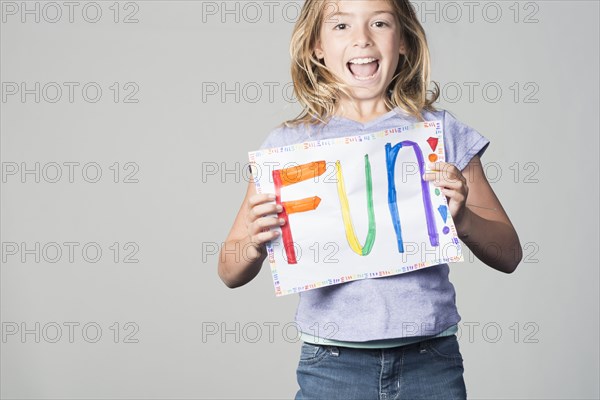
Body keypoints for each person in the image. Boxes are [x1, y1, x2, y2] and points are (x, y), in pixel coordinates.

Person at [218, 0, 522, 398]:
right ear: (316, 46)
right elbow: (228, 270)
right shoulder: (289, 148)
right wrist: (255, 244)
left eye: (379, 23)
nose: (362, 39)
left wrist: (463, 221)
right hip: (332, 364)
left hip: (430, 359)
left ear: (404, 43)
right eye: (341, 26)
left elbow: (509, 253)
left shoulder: (439, 132)